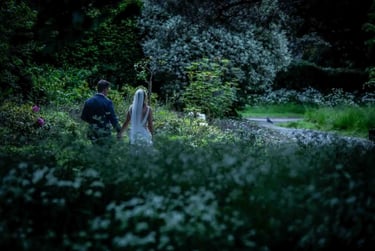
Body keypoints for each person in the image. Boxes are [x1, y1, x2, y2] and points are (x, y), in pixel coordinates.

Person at [81, 79, 121, 144]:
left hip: (92, 132)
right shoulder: (107, 102)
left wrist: (93, 122)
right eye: (108, 89)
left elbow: (83, 117)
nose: (108, 91)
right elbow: (113, 119)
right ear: (105, 89)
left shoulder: (88, 101)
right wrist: (119, 131)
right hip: (104, 133)